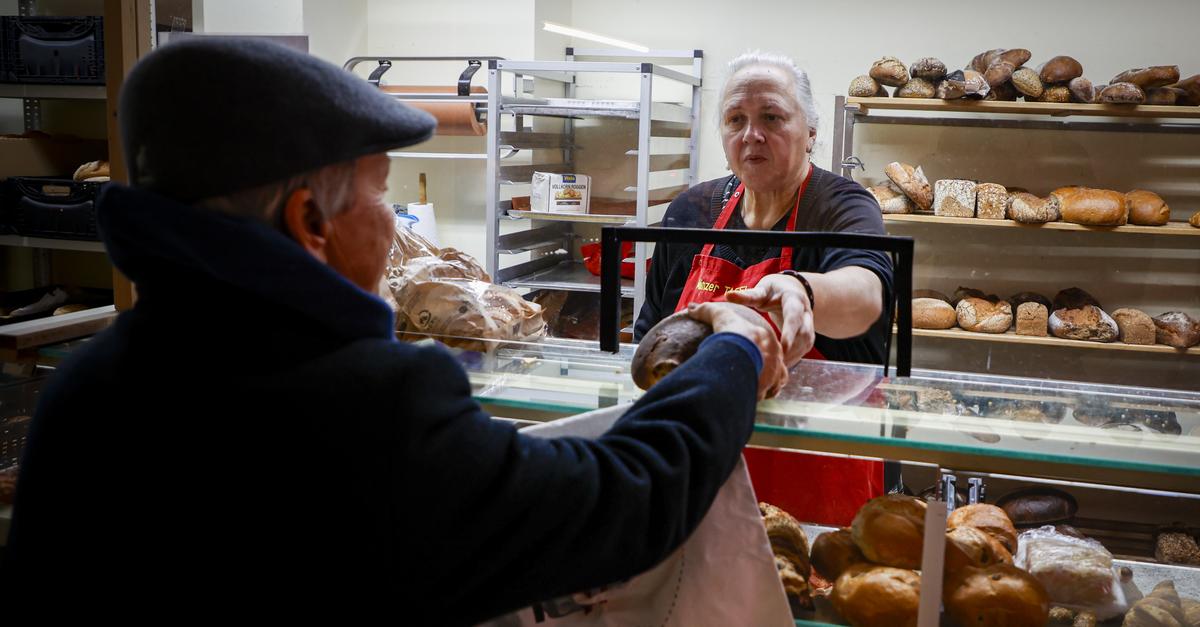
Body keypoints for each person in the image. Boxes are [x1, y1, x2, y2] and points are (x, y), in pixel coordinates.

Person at [0, 39, 787, 622]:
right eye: (383, 195)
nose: (394, 224)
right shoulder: (364, 403)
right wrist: (735, 350)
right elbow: (624, 500)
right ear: (311, 220)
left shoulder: (86, 388)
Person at [635, 51, 896, 524]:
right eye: (736, 119)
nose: (751, 135)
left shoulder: (841, 205)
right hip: (704, 464)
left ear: (811, 131)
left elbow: (865, 295)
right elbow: (652, 333)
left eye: (771, 117)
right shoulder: (691, 212)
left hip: (815, 474)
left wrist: (802, 291)